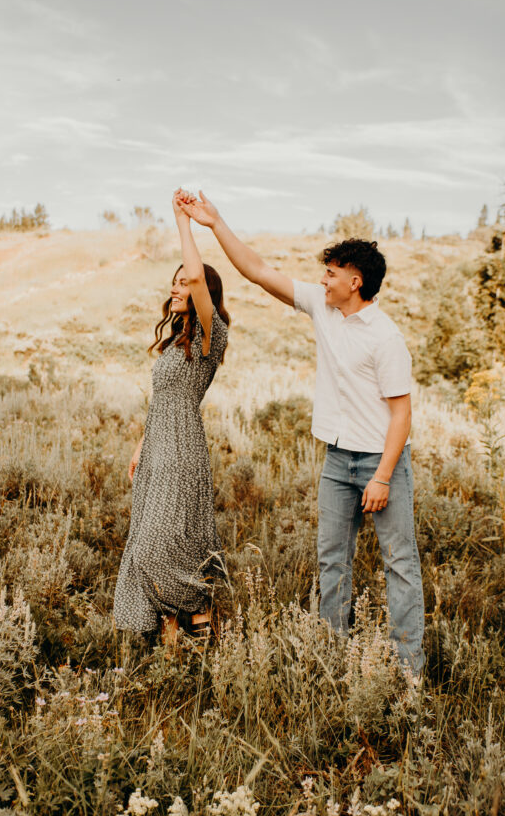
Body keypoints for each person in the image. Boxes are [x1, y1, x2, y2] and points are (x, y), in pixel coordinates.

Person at [178, 189, 424, 675]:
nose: (322, 279)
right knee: (332, 562)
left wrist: (382, 478)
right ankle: (331, 660)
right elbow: (258, 271)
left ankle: (409, 672)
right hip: (337, 460)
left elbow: (402, 414)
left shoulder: (385, 337)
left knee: (400, 565)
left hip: (381, 464)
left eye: (331, 274)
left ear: (355, 281)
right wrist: (215, 223)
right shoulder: (321, 307)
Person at [113, 191, 230, 647]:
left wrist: (182, 222)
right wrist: (141, 446)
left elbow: (198, 273)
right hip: (158, 449)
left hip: (182, 452)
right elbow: (160, 400)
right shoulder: (175, 342)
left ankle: (199, 609)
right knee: (152, 543)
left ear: (203, 292)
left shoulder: (209, 335)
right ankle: (177, 645)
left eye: (184, 283)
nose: (176, 287)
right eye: (174, 282)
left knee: (159, 545)